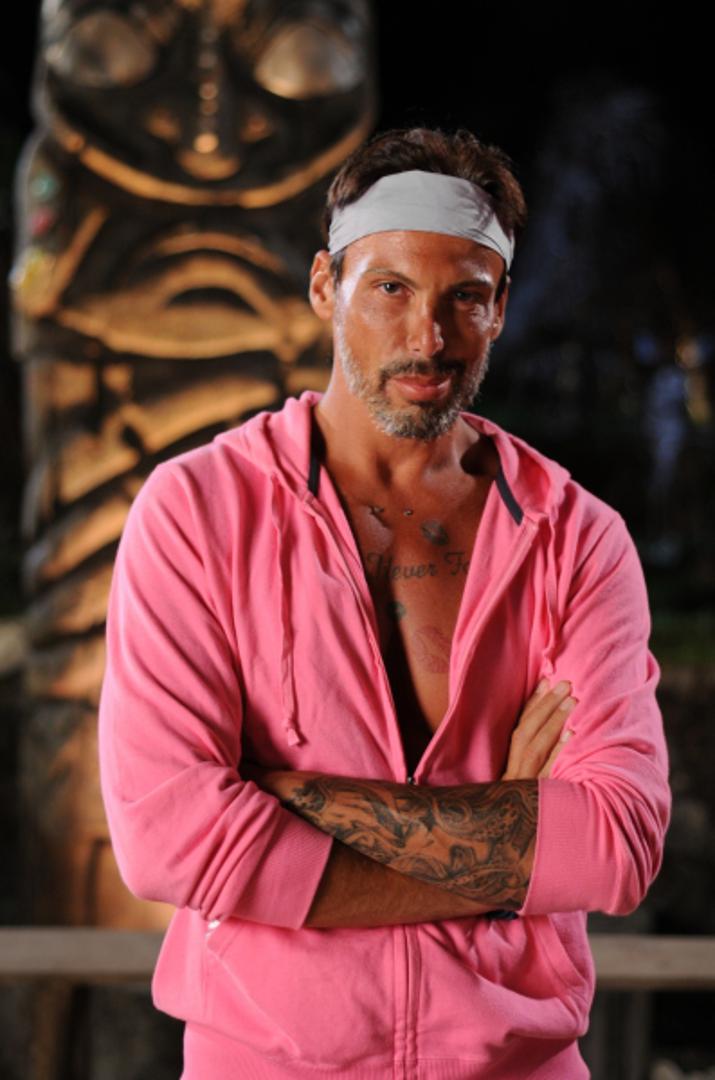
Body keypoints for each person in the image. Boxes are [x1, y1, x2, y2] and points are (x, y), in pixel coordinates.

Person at [98, 127, 671, 1079]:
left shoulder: (573, 536)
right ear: (326, 286)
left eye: (465, 298)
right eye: (390, 289)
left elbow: (614, 845)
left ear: (500, 309)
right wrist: (510, 854)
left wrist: (283, 799)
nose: (427, 338)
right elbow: (170, 841)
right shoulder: (198, 511)